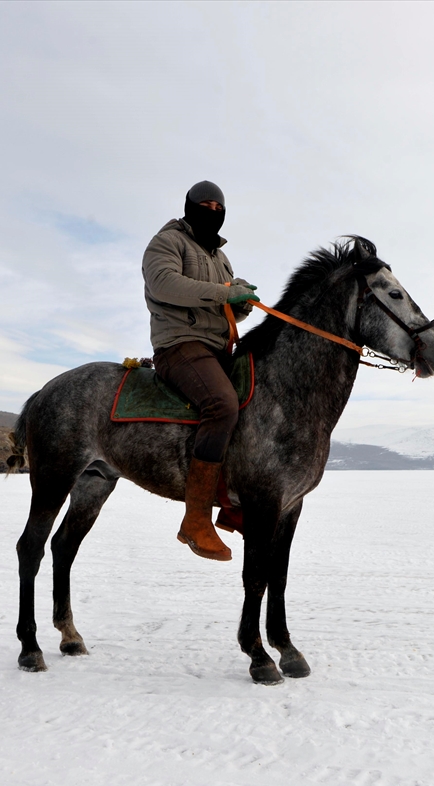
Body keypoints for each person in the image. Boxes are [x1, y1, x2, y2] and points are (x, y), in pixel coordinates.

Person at [141, 181, 259, 562]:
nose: (212, 210)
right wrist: (226, 294)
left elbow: (225, 305)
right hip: (180, 344)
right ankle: (195, 519)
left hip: (218, 347)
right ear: (189, 206)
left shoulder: (221, 258)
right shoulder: (167, 242)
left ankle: (230, 502)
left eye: (218, 205)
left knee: (258, 399)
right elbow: (165, 284)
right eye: (204, 204)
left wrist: (241, 303)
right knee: (222, 404)